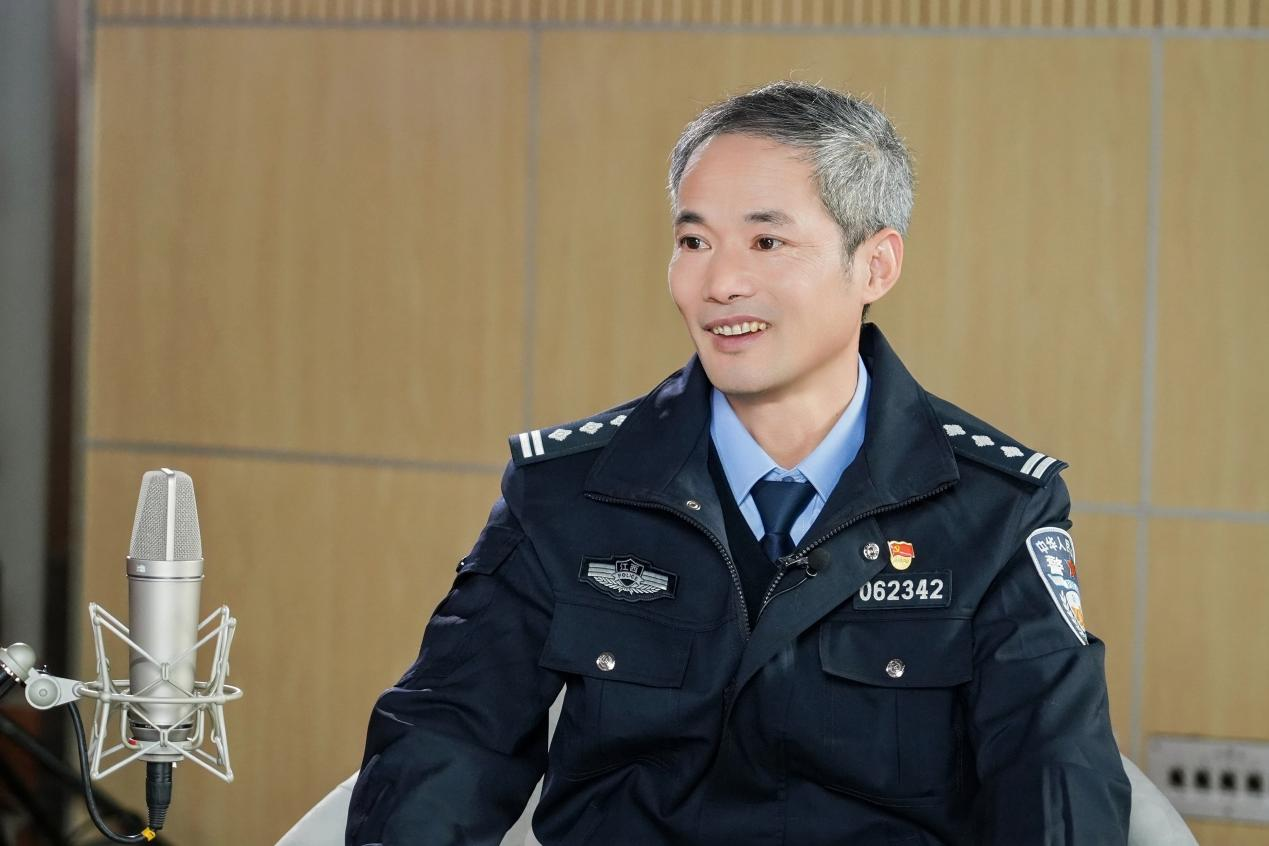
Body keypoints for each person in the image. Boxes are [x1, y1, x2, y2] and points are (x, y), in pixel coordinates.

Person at [346, 81, 1131, 845]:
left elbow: (1054, 777)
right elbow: (447, 737)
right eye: (694, 242)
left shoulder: (996, 507)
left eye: (766, 242)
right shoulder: (568, 488)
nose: (719, 284)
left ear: (875, 266)